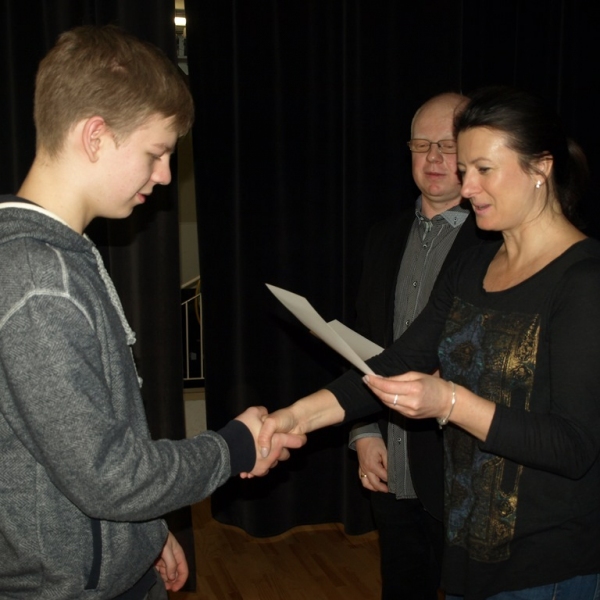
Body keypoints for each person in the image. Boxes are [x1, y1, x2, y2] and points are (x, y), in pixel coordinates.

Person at [0, 25, 304, 600]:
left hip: (116, 569)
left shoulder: (61, 256)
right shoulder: (38, 282)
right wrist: (234, 446)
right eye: (156, 153)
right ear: (95, 136)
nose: (165, 175)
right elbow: (108, 477)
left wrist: (146, 533)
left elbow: (87, 440)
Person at [259, 86, 600, 599]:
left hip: (547, 563)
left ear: (541, 168)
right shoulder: (472, 264)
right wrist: (292, 418)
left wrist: (450, 402)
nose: (468, 187)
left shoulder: (583, 280)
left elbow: (572, 447)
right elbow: (393, 363)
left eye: (483, 169)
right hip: (470, 547)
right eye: (465, 170)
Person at [350, 92, 495, 600]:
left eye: (448, 146)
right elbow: (365, 343)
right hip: (391, 462)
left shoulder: (497, 243)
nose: (433, 158)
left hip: (465, 471)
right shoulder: (382, 235)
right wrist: (363, 432)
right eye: (421, 144)